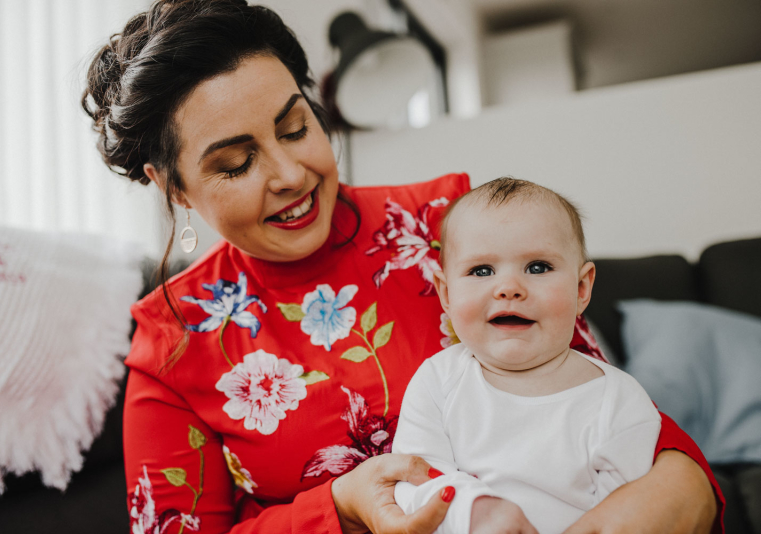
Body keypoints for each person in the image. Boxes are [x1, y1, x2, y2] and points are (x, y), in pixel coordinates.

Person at [80, 1, 722, 533]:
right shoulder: (173, 339)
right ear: (174, 188)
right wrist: (337, 507)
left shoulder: (448, 225)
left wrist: (682, 480)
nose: (290, 174)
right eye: (236, 163)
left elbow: (592, 400)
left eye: (295, 127)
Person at [392, 178, 662, 534]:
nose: (508, 289)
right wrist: (476, 510)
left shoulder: (619, 400)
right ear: (446, 293)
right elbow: (414, 477)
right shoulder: (437, 382)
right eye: (481, 271)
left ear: (582, 289)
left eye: (537, 267)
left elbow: (635, 509)